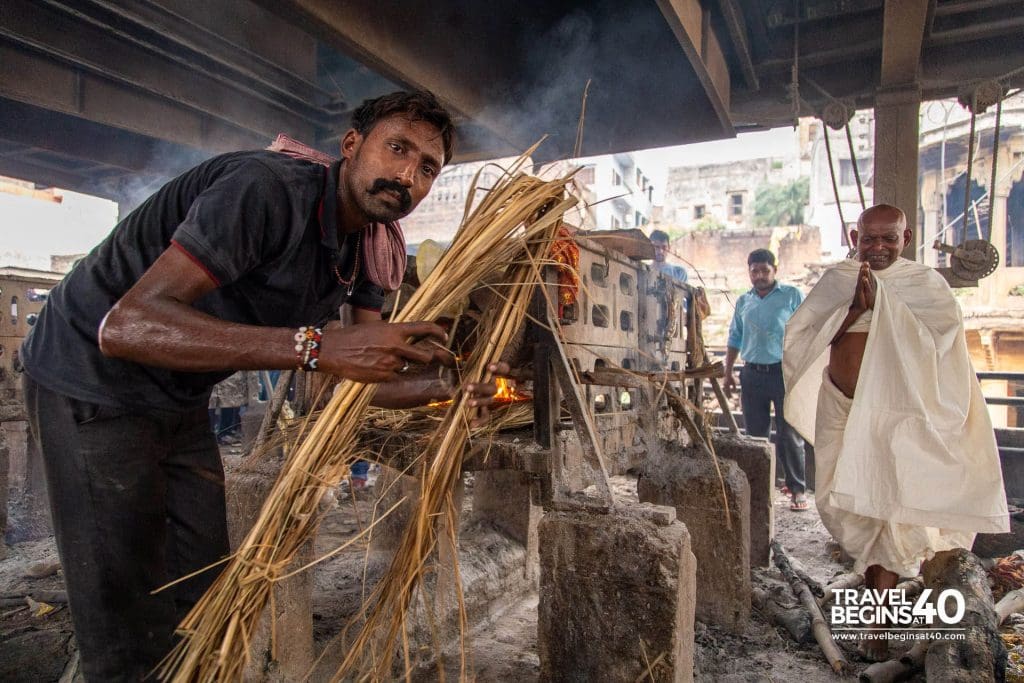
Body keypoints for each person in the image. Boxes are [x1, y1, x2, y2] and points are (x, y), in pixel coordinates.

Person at [19, 90, 508, 680]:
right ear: (351, 146)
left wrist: (449, 387)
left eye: (427, 167)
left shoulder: (371, 250)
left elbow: (343, 387)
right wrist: (315, 347)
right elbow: (125, 326)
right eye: (396, 148)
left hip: (178, 394)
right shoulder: (267, 191)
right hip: (90, 378)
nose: (406, 175)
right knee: (124, 622)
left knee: (198, 594)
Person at [783, 204, 1009, 660]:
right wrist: (855, 309)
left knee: (887, 512)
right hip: (842, 409)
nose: (879, 247)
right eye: (870, 239)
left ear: (906, 238)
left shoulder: (925, 285)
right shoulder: (838, 281)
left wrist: (884, 306)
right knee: (847, 508)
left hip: (896, 414)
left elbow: (942, 345)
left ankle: (878, 627)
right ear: (855, 235)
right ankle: (894, 610)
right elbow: (803, 338)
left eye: (889, 239)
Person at [723, 249, 807, 511]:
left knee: (789, 434)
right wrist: (727, 373)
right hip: (752, 375)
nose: (759, 276)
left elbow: (806, 331)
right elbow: (735, 338)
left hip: (784, 373)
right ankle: (759, 490)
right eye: (754, 271)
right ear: (749, 272)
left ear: (775, 270)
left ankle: (797, 490)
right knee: (755, 436)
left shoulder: (791, 296)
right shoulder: (743, 301)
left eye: (764, 271)